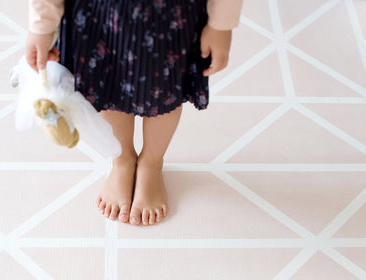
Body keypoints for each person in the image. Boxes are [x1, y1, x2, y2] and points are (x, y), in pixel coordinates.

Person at [25, 0, 244, 226]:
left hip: (169, 12)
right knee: (105, 87)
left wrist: (221, 24)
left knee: (166, 90)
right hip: (99, 12)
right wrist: (41, 25)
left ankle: (151, 162)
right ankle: (122, 159)